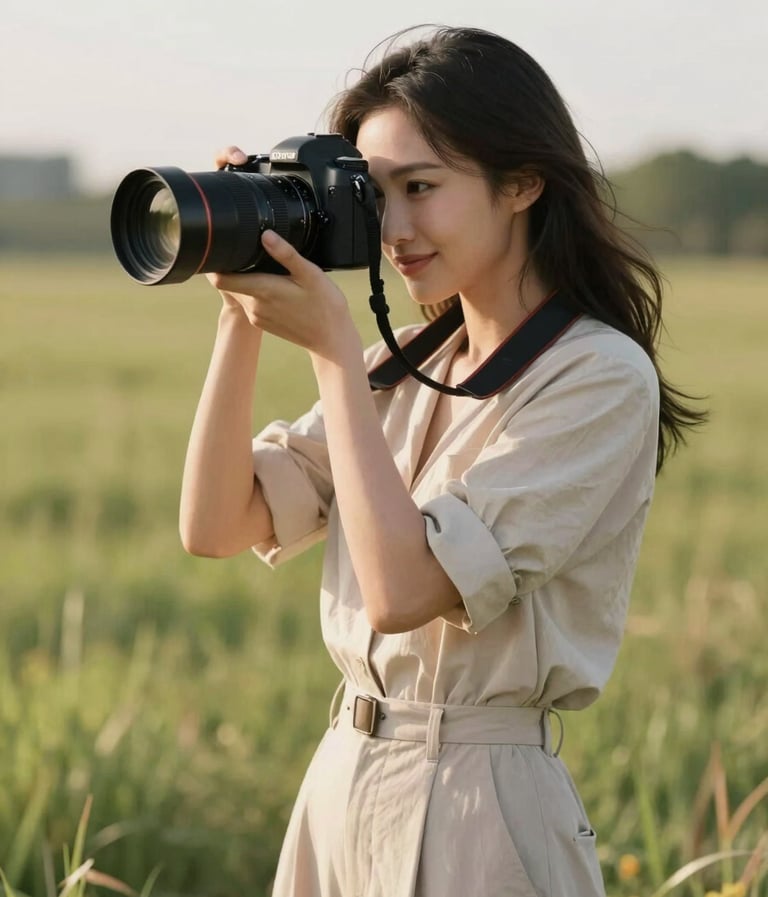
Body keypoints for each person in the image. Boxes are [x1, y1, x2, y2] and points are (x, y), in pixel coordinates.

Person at [179, 25, 703, 897]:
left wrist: (333, 354)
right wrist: (239, 308)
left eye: (421, 187)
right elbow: (214, 524)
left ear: (522, 183)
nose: (393, 227)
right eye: (374, 193)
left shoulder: (599, 378)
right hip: (341, 778)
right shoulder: (407, 361)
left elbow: (400, 593)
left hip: (480, 799)